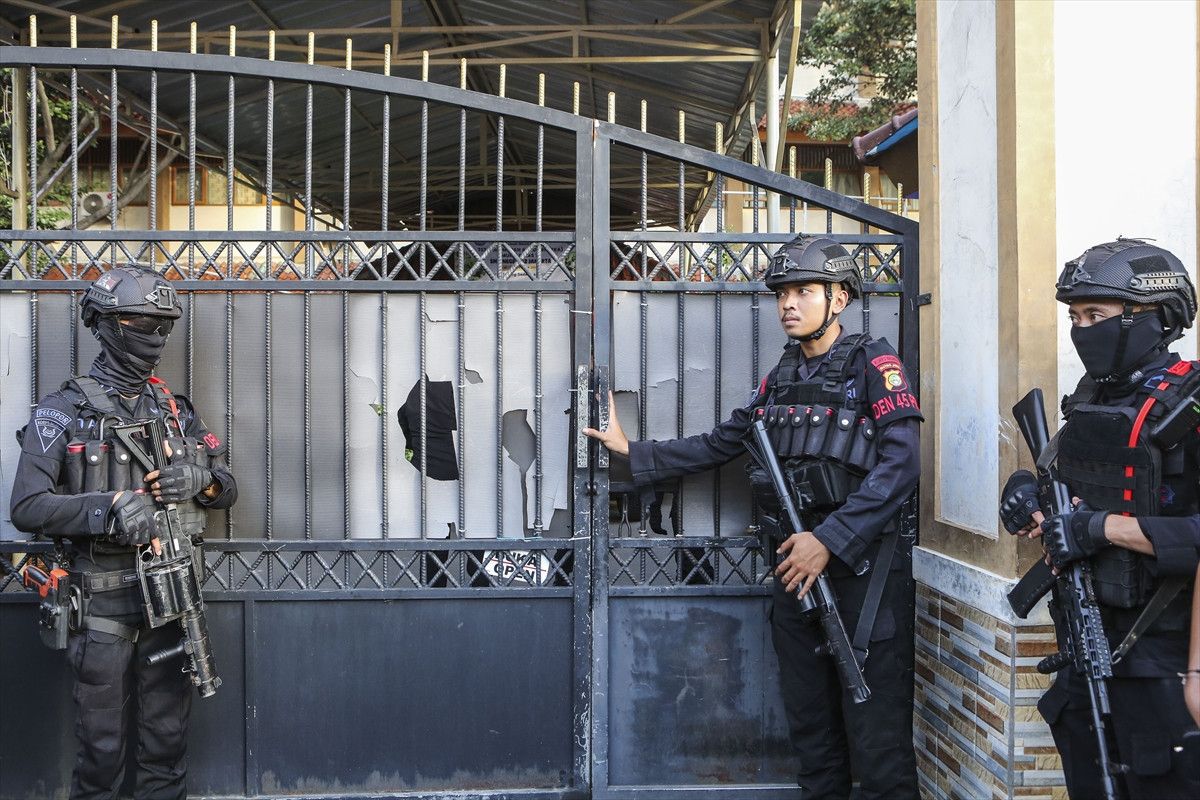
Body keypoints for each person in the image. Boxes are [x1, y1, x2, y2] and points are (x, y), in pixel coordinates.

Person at [584, 234, 923, 799]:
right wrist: (631, 452)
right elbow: (722, 443)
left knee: (879, 745)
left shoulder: (875, 364)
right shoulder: (782, 376)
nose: (788, 303)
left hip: (863, 577)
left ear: (839, 298)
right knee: (813, 738)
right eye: (782, 293)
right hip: (795, 575)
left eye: (804, 291)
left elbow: (903, 463)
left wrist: (830, 540)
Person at [10, 267, 237, 800]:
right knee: (102, 751)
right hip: (102, 605)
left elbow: (227, 488)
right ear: (105, 325)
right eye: (140, 323)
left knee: (167, 744)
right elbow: (26, 506)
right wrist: (106, 509)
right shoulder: (61, 412)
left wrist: (200, 481)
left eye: (164, 326)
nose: (154, 337)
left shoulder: (176, 412)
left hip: (171, 603)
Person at [999, 239, 1200, 799]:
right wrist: (1024, 490)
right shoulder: (1092, 399)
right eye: (1075, 317)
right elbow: (1056, 474)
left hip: (1162, 663)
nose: (1083, 330)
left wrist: (1100, 529)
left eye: (1097, 315)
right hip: (1083, 654)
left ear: (1156, 318)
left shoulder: (1191, 402)